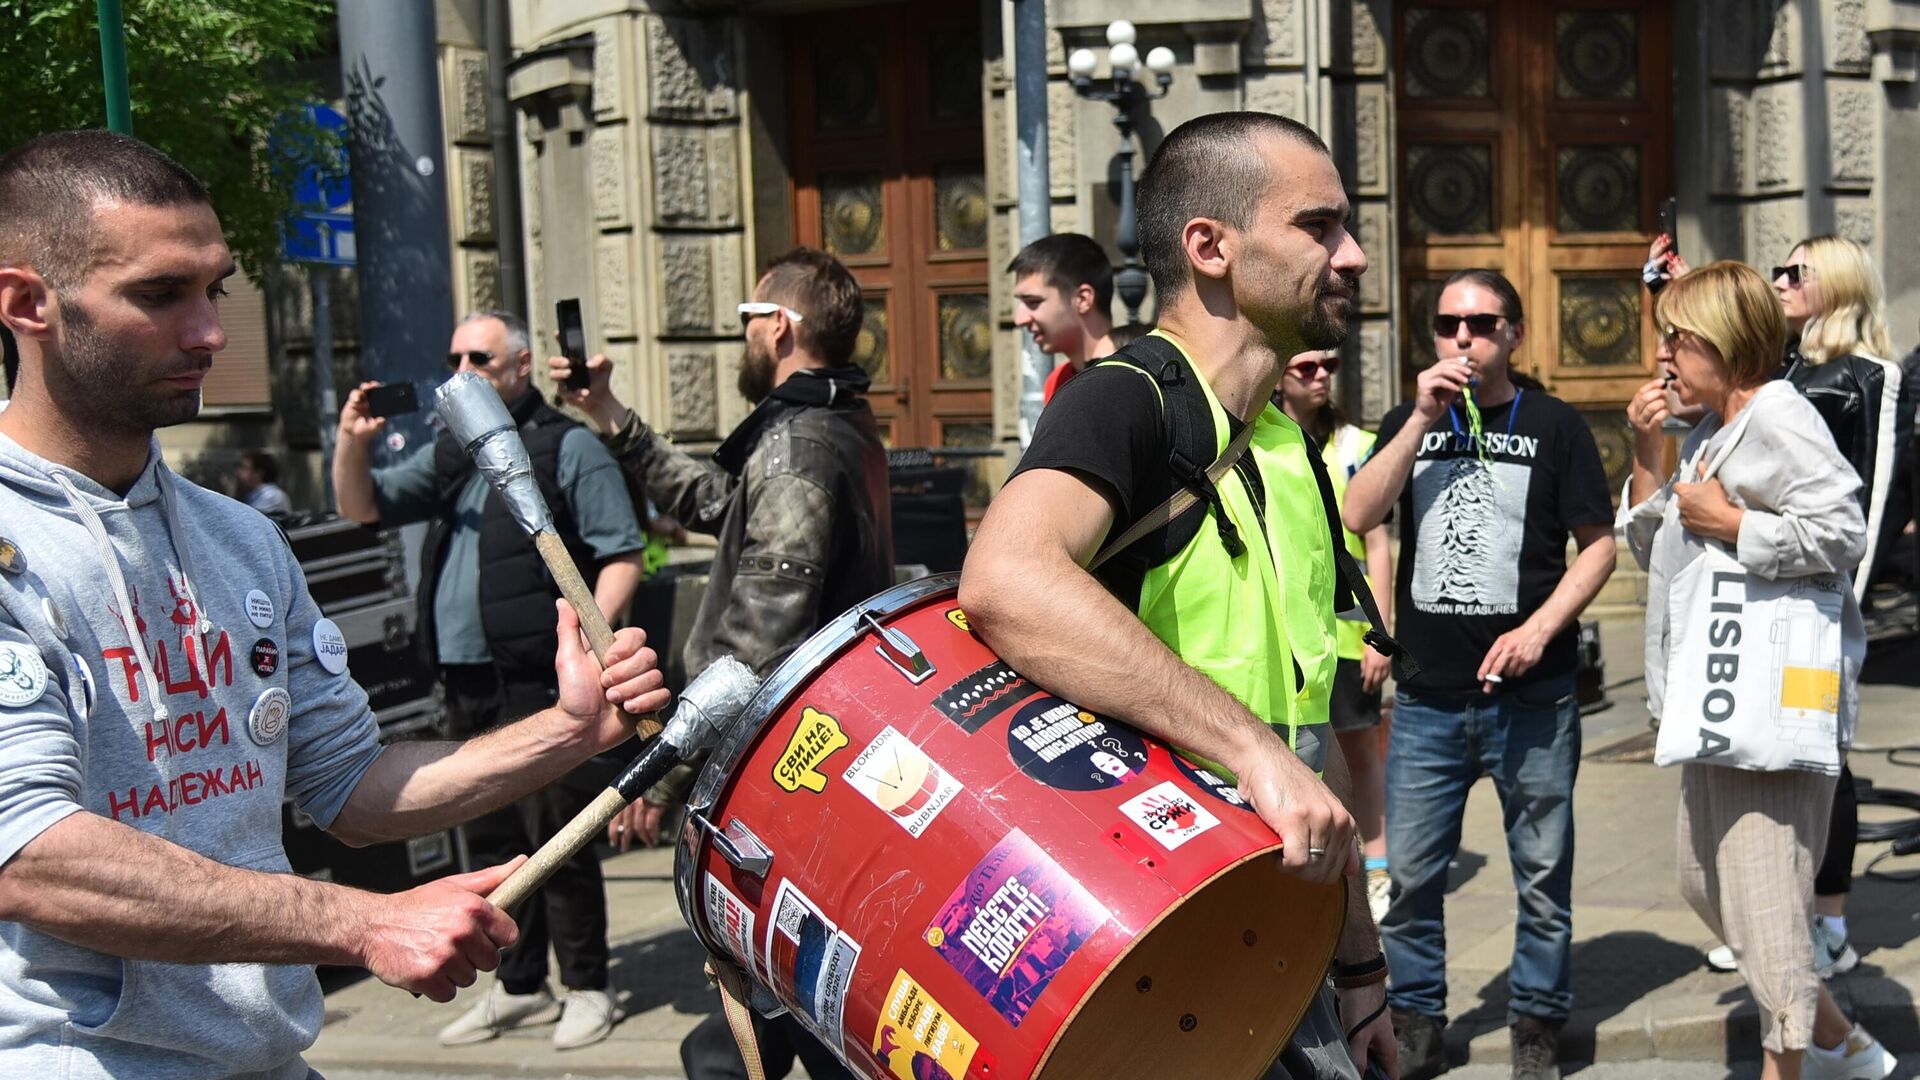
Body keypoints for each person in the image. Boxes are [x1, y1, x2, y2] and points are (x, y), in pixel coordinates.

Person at [0, 129, 668, 1077]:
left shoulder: (242, 540)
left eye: (215, 289)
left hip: (271, 1055)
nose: (210, 332)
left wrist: (566, 732)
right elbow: (28, 855)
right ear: (27, 302)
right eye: (159, 295)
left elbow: (349, 788)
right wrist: (364, 922)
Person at [959, 111, 1397, 1080]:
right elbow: (1004, 578)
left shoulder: (1275, 439)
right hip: (1154, 963)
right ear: (1210, 246)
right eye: (1319, 226)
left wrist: (1359, 964)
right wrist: (1246, 750)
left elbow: (1296, 740)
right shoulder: (1126, 400)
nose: (1355, 255)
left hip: (1273, 936)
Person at [551, 246, 893, 1080]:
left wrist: (663, 773)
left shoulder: (801, 443)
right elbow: (712, 500)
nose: (742, 337)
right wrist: (611, 414)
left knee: (780, 1018)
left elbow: (758, 635)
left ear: (777, 326)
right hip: (806, 758)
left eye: (748, 319)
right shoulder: (823, 423)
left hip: (782, 775)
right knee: (781, 1016)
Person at [332, 309, 649, 1050]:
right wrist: (353, 441)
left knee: (558, 840)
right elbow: (359, 506)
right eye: (453, 357)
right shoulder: (450, 452)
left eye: (480, 356)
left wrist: (585, 643)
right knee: (492, 839)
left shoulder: (565, 445)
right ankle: (519, 983)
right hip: (463, 676)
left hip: (541, 677)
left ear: (521, 366)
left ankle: (589, 984)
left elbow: (622, 550)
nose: (462, 370)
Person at [1622, 260, 1896, 1080]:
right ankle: (1843, 1041)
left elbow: (1841, 531)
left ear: (1727, 343)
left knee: (1769, 909)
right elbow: (1650, 544)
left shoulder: (1780, 414)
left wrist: (1737, 524)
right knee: (1705, 883)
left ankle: (1798, 1059)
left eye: (1679, 337)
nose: (1664, 353)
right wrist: (1647, 451)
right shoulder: (1708, 429)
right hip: (1713, 700)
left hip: (1765, 705)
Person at [1342, 268, 1616, 1080]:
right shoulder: (1410, 421)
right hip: (1429, 696)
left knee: (1542, 870)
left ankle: (1536, 1021)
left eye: (1483, 323)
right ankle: (1420, 1016)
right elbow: (1359, 516)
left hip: (1532, 698)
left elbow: (1597, 544)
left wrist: (1539, 629)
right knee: (1417, 877)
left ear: (1514, 335)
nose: (1464, 337)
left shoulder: (1556, 426)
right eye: (1449, 323)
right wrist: (1420, 420)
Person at [1276, 348, 1394, 924]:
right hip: (1293, 634)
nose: (1321, 376)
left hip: (1350, 634)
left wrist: (1381, 630)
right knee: (1309, 756)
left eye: (1329, 366)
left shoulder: (1356, 444)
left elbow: (1376, 544)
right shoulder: (1260, 439)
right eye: (1306, 367)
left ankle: (1377, 867)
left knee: (1362, 756)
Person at [1009, 232, 1119, 403]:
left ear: (1083, 299)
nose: (1019, 319)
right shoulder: (1057, 382)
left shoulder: (1137, 375)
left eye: (1033, 302)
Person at [235, 449, 292, 520]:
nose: (238, 472)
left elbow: (248, 520)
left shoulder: (272, 496)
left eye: (245, 468)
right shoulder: (253, 495)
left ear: (258, 473)